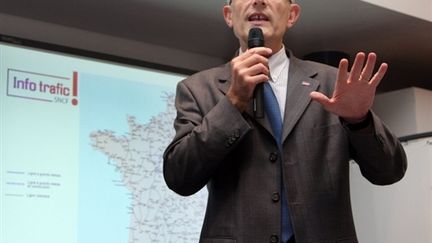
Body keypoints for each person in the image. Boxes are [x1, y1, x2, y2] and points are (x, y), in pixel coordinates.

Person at [163, 0, 407, 242]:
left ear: (292, 15)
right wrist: (233, 101)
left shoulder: (333, 84)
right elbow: (179, 178)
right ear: (229, 15)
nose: (258, 1)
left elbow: (390, 172)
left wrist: (359, 120)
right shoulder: (197, 89)